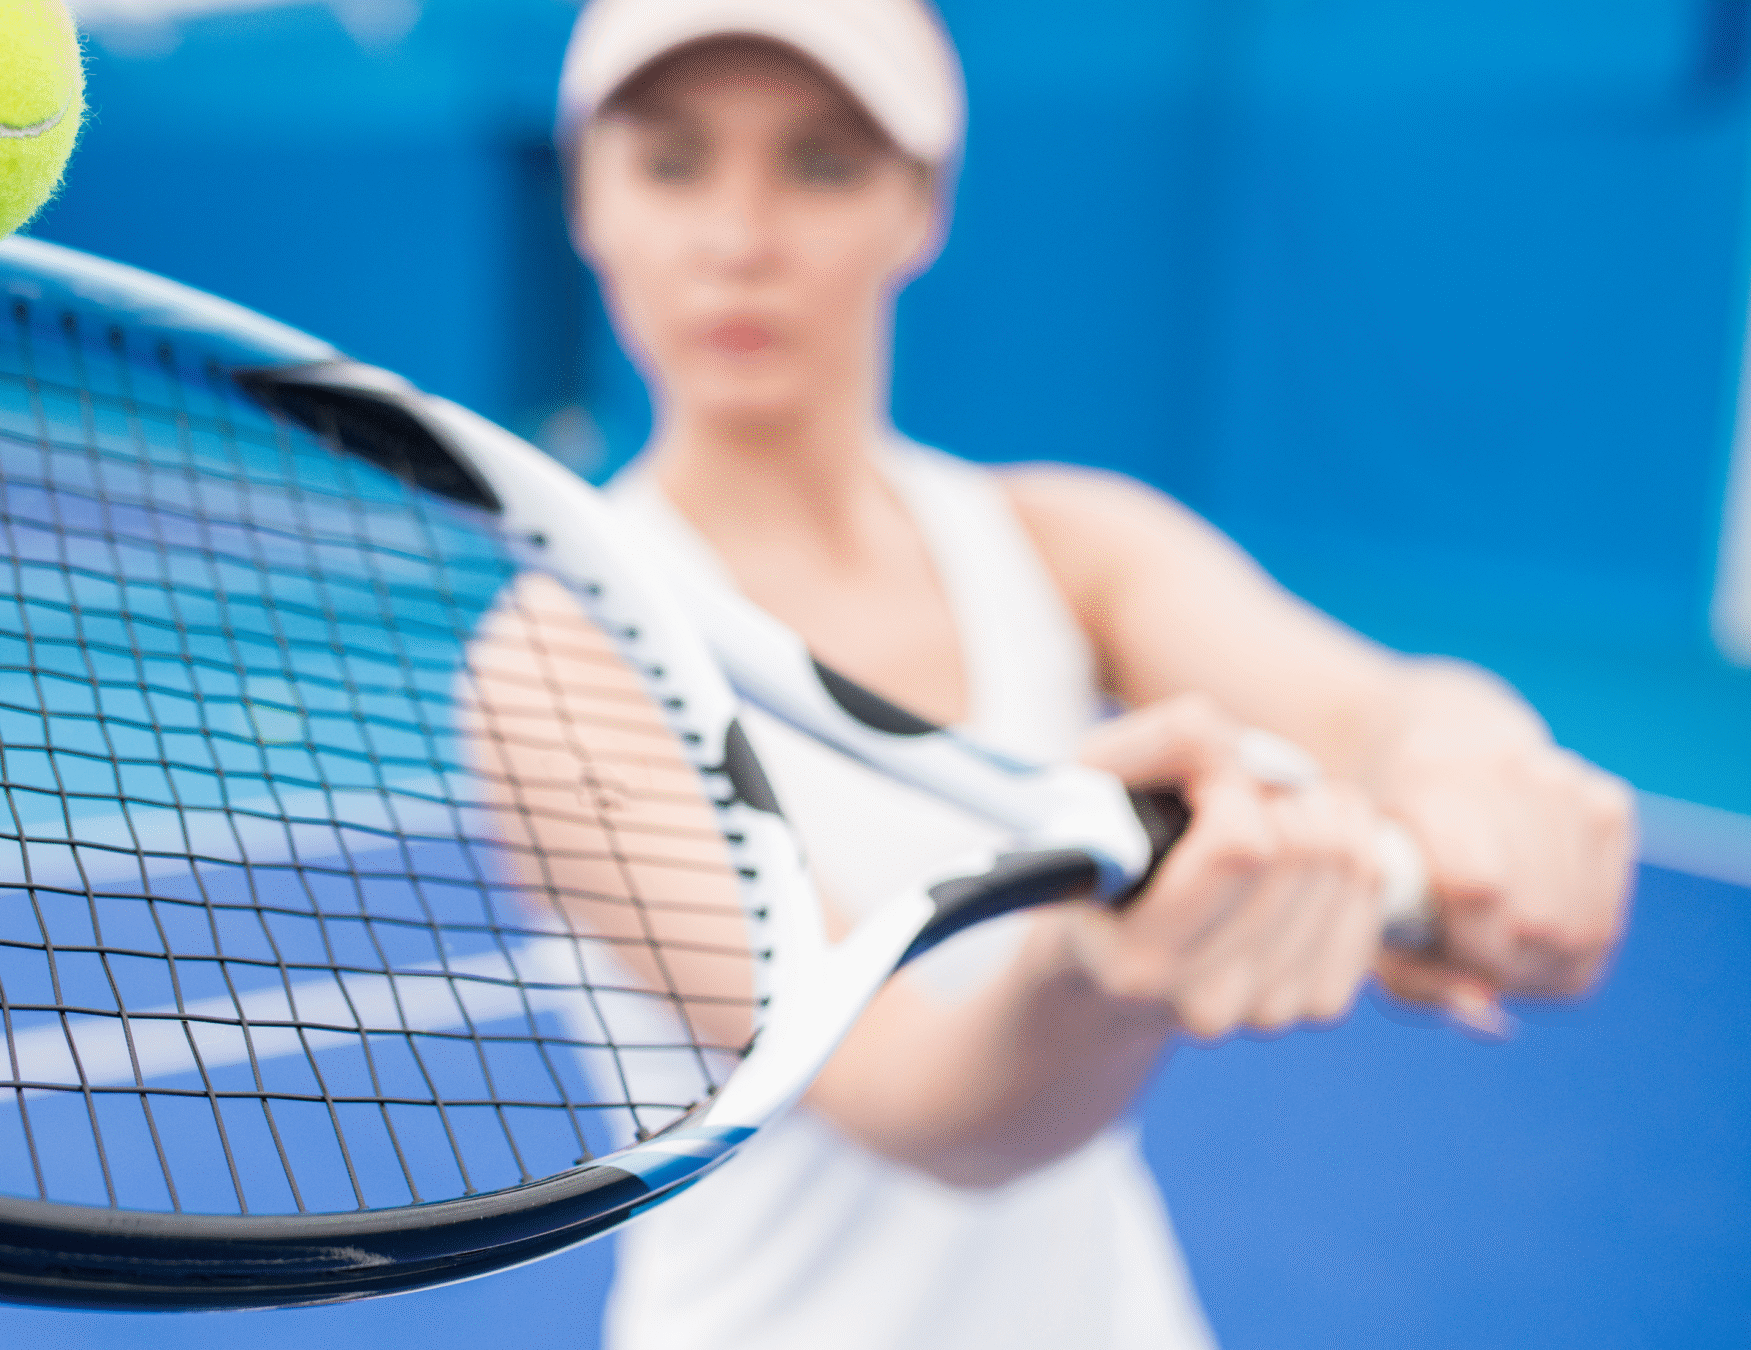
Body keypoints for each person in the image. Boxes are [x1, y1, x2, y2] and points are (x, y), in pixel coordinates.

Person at [516, 1, 1638, 1345]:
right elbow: (924, 1103)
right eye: (673, 163)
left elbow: (1376, 710)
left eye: (821, 164)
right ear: (589, 202)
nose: (739, 238)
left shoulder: (1068, 544)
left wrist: (1487, 783)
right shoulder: (558, 659)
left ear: (921, 207)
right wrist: (1093, 969)